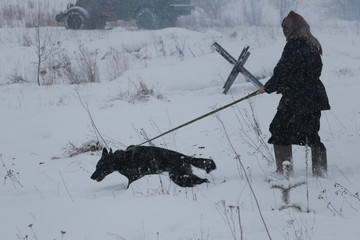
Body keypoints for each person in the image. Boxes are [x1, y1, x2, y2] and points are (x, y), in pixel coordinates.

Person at [259, 11, 330, 177]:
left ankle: (284, 171)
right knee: (311, 133)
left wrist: (267, 87)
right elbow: (305, 72)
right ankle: (320, 172)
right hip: (314, 96)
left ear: (291, 29)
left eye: (285, 28)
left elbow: (283, 72)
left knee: (278, 129)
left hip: (297, 98)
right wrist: (288, 85)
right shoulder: (313, 43)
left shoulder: (293, 45)